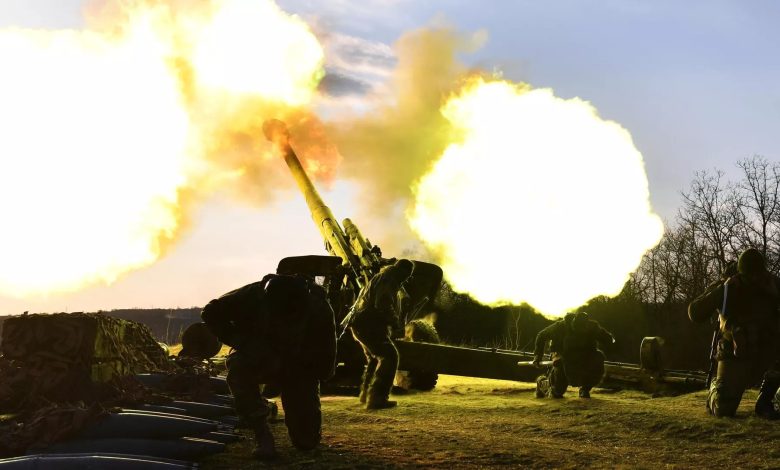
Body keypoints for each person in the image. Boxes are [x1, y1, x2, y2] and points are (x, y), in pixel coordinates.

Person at [201, 274, 337, 459]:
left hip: (297, 364)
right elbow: (210, 312)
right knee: (239, 366)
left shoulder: (318, 306)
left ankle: (303, 427)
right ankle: (261, 434)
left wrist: (312, 376)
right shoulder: (252, 295)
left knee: (306, 442)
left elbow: (327, 348)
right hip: (261, 357)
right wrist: (244, 343)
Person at [688, 248, 780, 419]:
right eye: (750, 277)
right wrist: (721, 289)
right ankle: (716, 388)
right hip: (735, 353)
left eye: (757, 276)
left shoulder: (772, 283)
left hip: (766, 351)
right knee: (724, 409)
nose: (754, 281)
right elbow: (695, 313)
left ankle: (766, 400)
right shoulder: (728, 287)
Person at [348, 259, 414, 410]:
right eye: (407, 275)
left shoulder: (381, 276)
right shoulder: (389, 280)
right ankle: (377, 399)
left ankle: (366, 395)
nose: (406, 279)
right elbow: (383, 303)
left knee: (374, 358)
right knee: (390, 357)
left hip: (360, 324)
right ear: (402, 271)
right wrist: (396, 323)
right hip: (369, 325)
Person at [533, 311, 614, 399]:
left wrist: (608, 339)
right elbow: (541, 336)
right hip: (562, 354)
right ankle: (542, 383)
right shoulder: (560, 326)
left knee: (598, 357)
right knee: (557, 391)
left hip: (585, 354)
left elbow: (608, 338)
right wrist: (538, 355)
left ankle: (585, 388)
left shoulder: (592, 327)